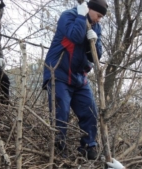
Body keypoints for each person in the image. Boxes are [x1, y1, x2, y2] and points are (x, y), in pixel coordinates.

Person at [43, 0, 108, 160]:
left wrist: (95, 40)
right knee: (61, 112)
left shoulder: (96, 26)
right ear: (89, 9)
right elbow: (75, 36)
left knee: (90, 111)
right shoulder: (69, 16)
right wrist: (81, 16)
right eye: (98, 15)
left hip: (79, 77)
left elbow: (95, 56)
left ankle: (88, 147)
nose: (99, 19)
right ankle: (59, 150)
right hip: (58, 73)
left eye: (101, 17)